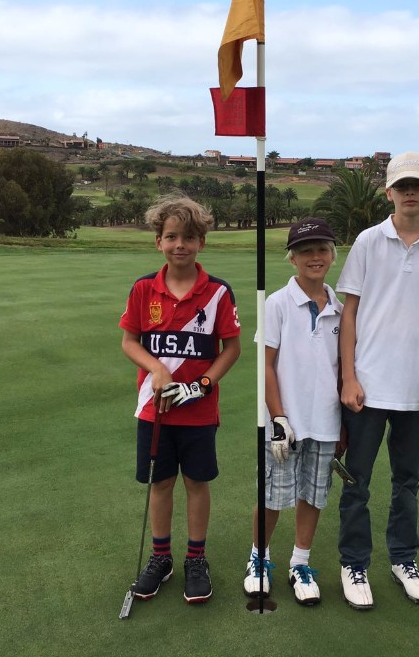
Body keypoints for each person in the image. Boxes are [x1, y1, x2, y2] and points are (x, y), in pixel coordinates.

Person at [335, 151, 419, 610]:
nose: (410, 192)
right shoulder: (368, 242)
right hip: (368, 386)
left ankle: (403, 559)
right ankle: (354, 563)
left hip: (414, 390)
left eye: (418, 185)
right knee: (357, 481)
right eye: (402, 185)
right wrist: (348, 377)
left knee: (408, 481)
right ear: (389, 192)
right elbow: (349, 313)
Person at [119, 195, 242, 605]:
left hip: (198, 412)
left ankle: (195, 558)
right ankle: (161, 558)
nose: (180, 245)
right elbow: (130, 341)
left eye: (189, 237)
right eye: (171, 237)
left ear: (201, 242)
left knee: (196, 482)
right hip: (153, 409)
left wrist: (203, 384)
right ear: (158, 241)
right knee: (160, 482)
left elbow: (231, 349)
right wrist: (156, 368)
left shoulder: (218, 292)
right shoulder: (143, 289)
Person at [243, 217, 343, 606]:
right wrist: (278, 417)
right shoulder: (277, 303)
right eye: (305, 251)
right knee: (272, 495)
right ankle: (259, 558)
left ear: (332, 255)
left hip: (325, 421)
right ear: (292, 258)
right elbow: (265, 365)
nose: (314, 257)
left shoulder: (340, 309)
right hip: (284, 423)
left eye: (321, 250)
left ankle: (300, 562)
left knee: (313, 495)